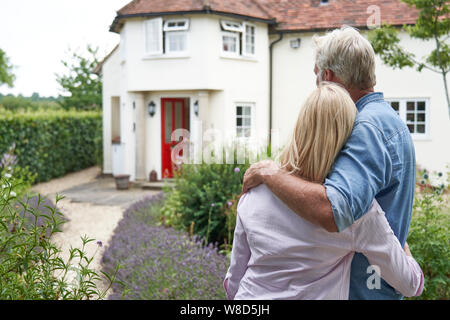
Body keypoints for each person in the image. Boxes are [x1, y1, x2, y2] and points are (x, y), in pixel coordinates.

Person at [241, 26, 417, 299]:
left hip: (359, 292)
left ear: (327, 76)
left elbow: (334, 210)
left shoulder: (366, 126)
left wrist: (270, 173)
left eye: (316, 75)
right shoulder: (387, 119)